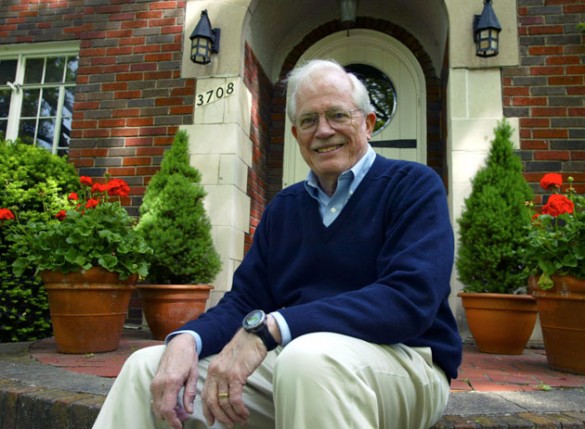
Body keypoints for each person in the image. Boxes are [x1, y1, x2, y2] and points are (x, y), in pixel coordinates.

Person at [92, 59, 462, 429]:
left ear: (368, 123)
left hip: (407, 361)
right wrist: (189, 338)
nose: (323, 130)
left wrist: (273, 327)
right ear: (296, 134)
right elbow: (245, 300)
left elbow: (408, 299)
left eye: (337, 115)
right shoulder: (284, 208)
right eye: (308, 120)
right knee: (146, 367)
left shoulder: (413, 186)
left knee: (309, 359)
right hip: (299, 366)